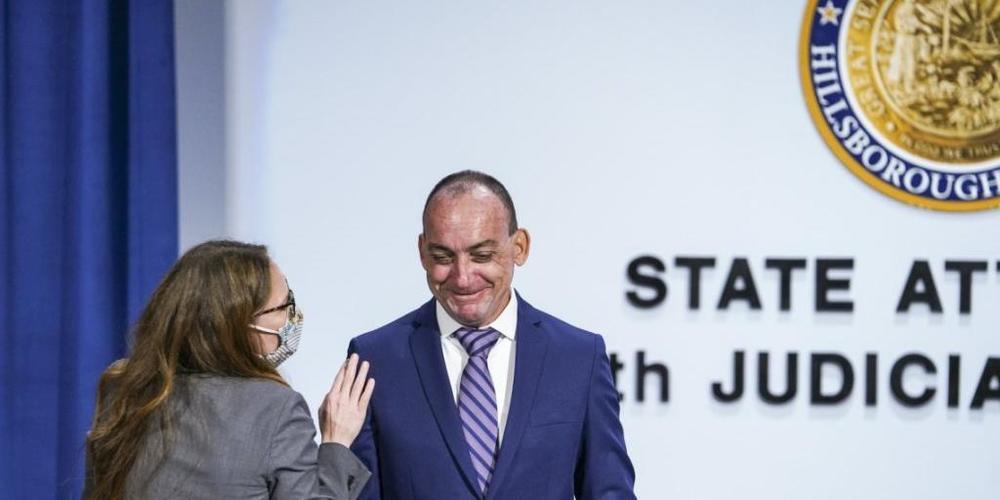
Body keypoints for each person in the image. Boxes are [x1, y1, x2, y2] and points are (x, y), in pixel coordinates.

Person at [348, 171, 635, 499]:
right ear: (422, 252)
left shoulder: (579, 357)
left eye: (481, 255)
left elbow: (609, 492)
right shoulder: (375, 359)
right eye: (443, 257)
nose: (463, 277)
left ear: (520, 247)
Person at [84, 240, 374, 499]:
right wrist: (337, 441)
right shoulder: (275, 408)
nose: (293, 316)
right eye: (283, 305)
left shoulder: (123, 390)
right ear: (238, 324)